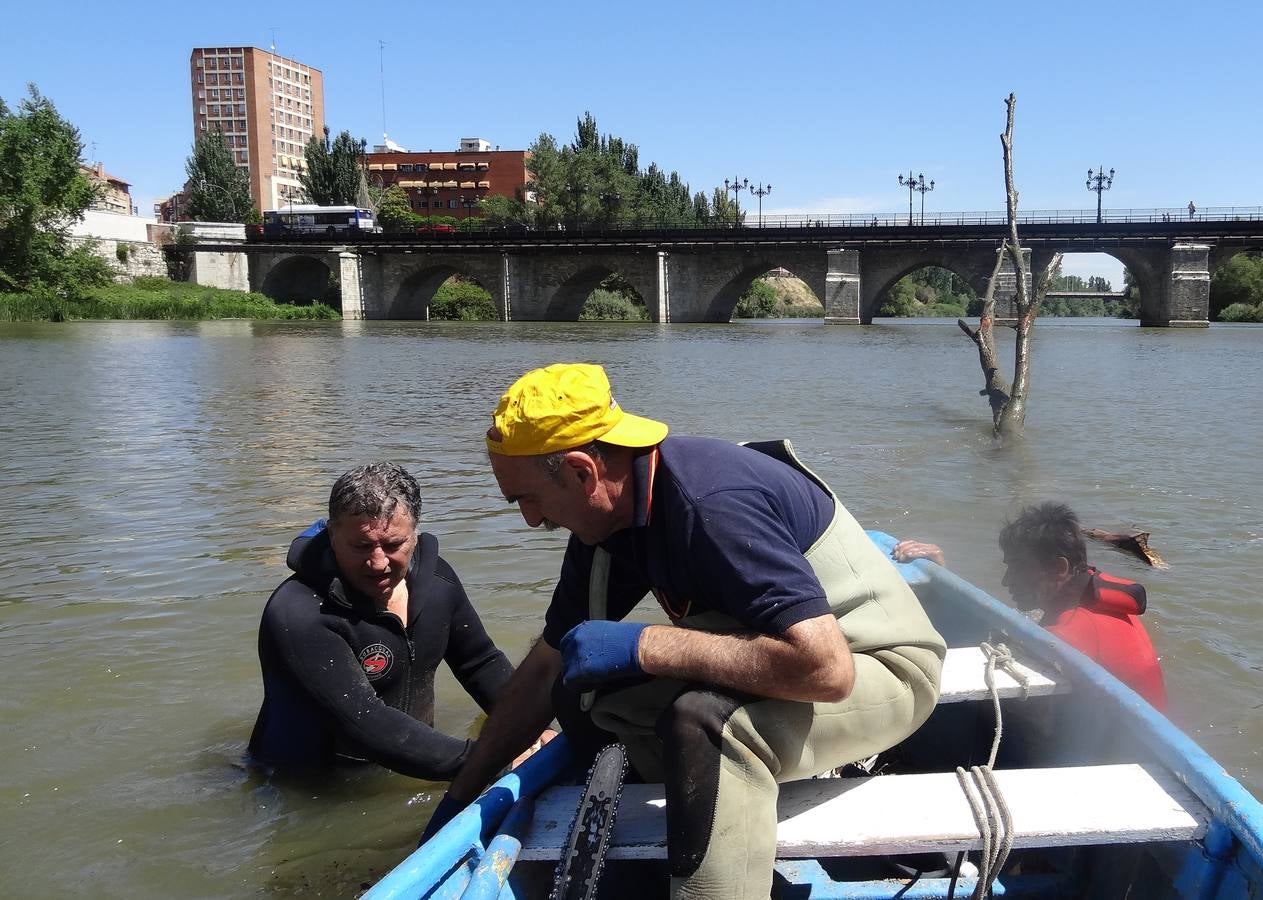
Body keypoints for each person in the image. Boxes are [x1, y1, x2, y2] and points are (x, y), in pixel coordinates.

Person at [431, 363, 946, 899]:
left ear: (583, 473)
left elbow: (826, 671)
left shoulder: (712, 504)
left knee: (707, 723)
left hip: (882, 671)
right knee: (578, 693)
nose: (531, 519)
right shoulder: (606, 522)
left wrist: (647, 644)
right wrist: (460, 799)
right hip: (786, 666)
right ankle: (659, 857)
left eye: (527, 498)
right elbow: (544, 669)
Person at [248, 463, 516, 780]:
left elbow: (480, 662)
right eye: (362, 546)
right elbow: (365, 722)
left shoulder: (437, 583)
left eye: (393, 545)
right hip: (314, 787)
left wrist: (532, 727)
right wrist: (488, 761)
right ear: (332, 535)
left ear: (414, 534)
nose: (377, 563)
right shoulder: (299, 613)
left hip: (418, 761)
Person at [893, 502, 1167, 711]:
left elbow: (985, 655)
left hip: (1119, 752)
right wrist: (941, 573)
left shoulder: (1073, 631)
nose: (1006, 580)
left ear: (1059, 568)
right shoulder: (1095, 592)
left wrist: (936, 590)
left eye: (1018, 568)